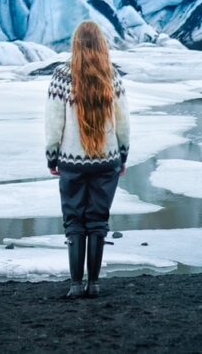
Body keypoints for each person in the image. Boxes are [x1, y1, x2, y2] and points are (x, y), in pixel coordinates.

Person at [44, 20, 131, 298]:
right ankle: (93, 284)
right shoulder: (112, 75)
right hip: (107, 160)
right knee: (97, 220)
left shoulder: (61, 75)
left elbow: (53, 121)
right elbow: (123, 122)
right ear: (101, 43)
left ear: (76, 44)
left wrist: (52, 155)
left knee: (74, 220)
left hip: (72, 161)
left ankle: (75, 285)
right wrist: (123, 154)